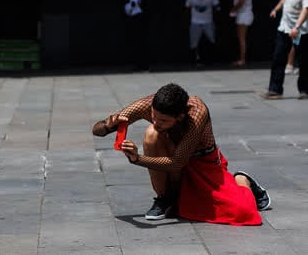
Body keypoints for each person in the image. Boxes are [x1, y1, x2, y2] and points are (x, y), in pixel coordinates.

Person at [92, 83, 270, 224]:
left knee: (242, 211)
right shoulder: (149, 105)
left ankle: (242, 179)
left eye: (164, 120)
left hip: (202, 164)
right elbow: (96, 130)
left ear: (180, 116)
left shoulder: (196, 113)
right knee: (152, 133)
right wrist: (108, 126)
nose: (156, 122)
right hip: (172, 160)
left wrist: (137, 159)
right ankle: (165, 198)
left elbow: (178, 162)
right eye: (154, 116)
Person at [264, 0, 308, 100]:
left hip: (301, 30)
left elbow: (307, 7)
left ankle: (304, 90)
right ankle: (275, 90)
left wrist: (297, 26)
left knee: (303, 60)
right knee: (278, 57)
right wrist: (275, 9)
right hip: (285, 27)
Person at [184, 0, 220, 66]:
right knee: (194, 43)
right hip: (195, 22)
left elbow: (217, 6)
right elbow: (187, 8)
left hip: (208, 21)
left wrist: (217, 14)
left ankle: (210, 60)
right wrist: (187, 21)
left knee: (211, 40)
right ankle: (195, 61)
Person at [124, 0, 149, 71]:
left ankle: (140, 66)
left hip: (137, 15)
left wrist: (128, 10)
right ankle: (144, 65)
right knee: (143, 40)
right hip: (145, 14)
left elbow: (133, 2)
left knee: (137, 41)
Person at [229, 0, 254, 66]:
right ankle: (242, 59)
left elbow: (241, 2)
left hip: (244, 16)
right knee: (241, 38)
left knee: (241, 38)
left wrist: (233, 10)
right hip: (241, 15)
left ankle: (242, 60)